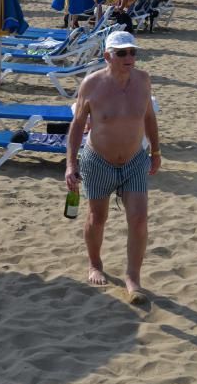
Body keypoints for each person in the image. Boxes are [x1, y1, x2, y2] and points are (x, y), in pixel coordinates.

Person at [65, 31, 160, 305]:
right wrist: (70, 164)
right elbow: (77, 126)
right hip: (98, 160)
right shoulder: (92, 85)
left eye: (133, 52)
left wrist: (156, 150)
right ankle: (95, 264)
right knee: (98, 217)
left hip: (134, 160)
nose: (129, 58)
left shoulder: (143, 81)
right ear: (107, 56)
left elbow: (150, 117)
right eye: (122, 53)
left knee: (139, 218)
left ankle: (133, 278)